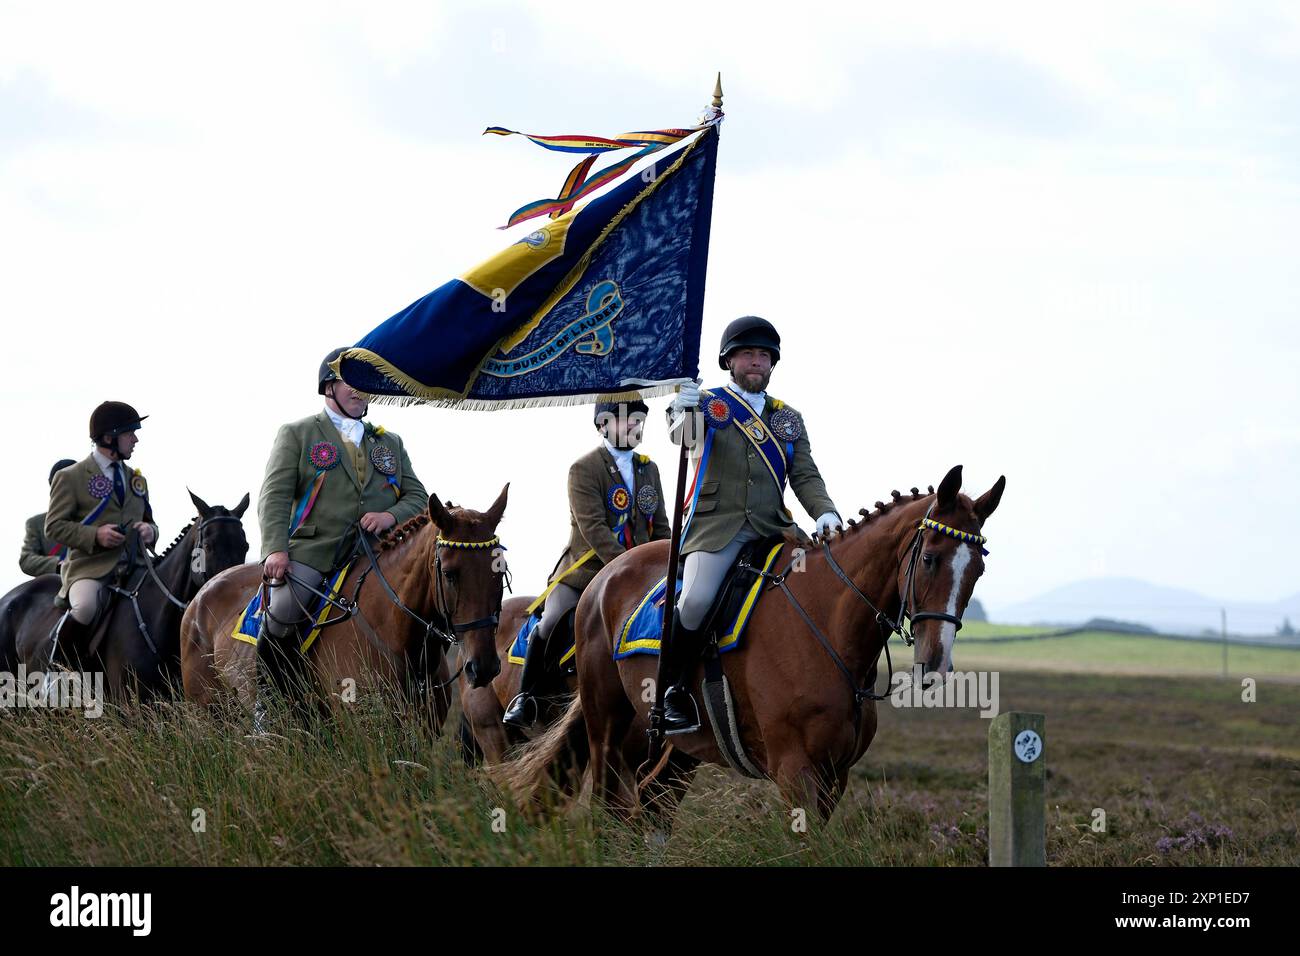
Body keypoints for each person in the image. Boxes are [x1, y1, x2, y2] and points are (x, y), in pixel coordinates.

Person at [660, 316, 840, 734]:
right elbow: (683, 439)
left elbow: (805, 475)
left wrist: (825, 511)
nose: (756, 362)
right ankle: (673, 691)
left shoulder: (788, 418)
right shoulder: (705, 401)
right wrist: (683, 408)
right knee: (698, 599)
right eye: (747, 354)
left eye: (763, 355)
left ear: (772, 363)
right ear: (730, 361)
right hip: (717, 528)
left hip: (773, 529)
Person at [255, 348, 429, 699]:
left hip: (379, 554)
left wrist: (389, 516)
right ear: (328, 387)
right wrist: (275, 548)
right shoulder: (298, 433)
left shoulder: (389, 442)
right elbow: (273, 496)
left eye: (364, 383)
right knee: (283, 614)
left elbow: (418, 499)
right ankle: (269, 703)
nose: (359, 390)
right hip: (315, 552)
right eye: (350, 382)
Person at [503, 399, 669, 728]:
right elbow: (592, 528)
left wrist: (665, 561)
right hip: (585, 569)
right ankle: (527, 697)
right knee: (549, 621)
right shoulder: (584, 468)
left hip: (643, 573)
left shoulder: (649, 469)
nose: (633, 426)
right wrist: (631, 568)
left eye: (638, 420)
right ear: (602, 425)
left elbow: (660, 526)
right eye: (624, 420)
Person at [44, 404, 158, 657]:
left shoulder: (137, 480)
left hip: (136, 567)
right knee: (84, 608)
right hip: (90, 568)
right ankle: (58, 667)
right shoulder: (70, 476)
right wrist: (95, 535)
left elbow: (150, 521)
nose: (135, 439)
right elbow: (53, 526)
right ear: (109, 437)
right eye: (130, 433)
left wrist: (151, 532)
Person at [20, 458, 77, 577]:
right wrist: (58, 564)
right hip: (55, 582)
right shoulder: (36, 523)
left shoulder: (98, 519)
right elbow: (26, 559)